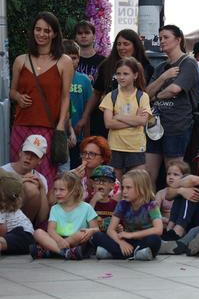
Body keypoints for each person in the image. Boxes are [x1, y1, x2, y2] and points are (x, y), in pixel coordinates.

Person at [10, 11, 73, 187]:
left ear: (54, 34)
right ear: (32, 31)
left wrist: (61, 125)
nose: (42, 34)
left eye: (47, 30)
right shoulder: (20, 60)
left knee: (45, 178)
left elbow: (65, 96)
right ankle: (16, 213)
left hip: (48, 128)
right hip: (21, 126)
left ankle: (44, 214)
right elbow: (12, 91)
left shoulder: (64, 61)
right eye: (38, 29)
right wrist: (18, 97)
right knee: (18, 177)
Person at [145, 25, 199, 184]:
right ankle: (151, 208)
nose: (161, 41)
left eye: (166, 37)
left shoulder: (188, 63)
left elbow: (174, 90)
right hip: (154, 126)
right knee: (148, 174)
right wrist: (163, 78)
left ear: (178, 39)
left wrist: (155, 96)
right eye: (160, 38)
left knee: (173, 173)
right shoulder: (162, 67)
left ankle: (174, 208)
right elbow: (146, 93)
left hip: (177, 125)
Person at [80, 29, 154, 138]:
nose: (121, 47)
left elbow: (146, 93)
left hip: (133, 123)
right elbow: (96, 93)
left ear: (135, 46)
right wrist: (85, 117)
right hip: (106, 120)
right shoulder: (107, 65)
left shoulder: (146, 67)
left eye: (126, 44)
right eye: (118, 44)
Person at [92, 169, 163, 260]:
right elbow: (110, 230)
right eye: (123, 187)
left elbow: (158, 229)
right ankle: (137, 254)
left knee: (155, 239)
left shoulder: (151, 205)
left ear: (141, 188)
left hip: (143, 240)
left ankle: (114, 253)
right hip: (127, 241)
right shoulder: (122, 204)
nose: (124, 191)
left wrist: (131, 235)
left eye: (128, 188)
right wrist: (121, 243)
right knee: (97, 235)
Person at [100, 57, 151, 181]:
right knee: (115, 187)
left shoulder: (142, 96)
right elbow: (108, 123)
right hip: (115, 146)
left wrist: (119, 117)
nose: (121, 77)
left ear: (135, 75)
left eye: (125, 74)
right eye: (118, 74)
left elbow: (143, 121)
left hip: (135, 147)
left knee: (137, 185)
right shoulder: (111, 96)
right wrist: (134, 121)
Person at [31, 172, 99, 260]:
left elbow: (96, 229)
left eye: (62, 190)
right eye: (55, 189)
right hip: (57, 238)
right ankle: (65, 253)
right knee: (38, 233)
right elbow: (51, 230)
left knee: (80, 234)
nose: (57, 193)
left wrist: (90, 230)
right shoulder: (55, 208)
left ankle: (49, 250)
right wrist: (60, 240)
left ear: (75, 191)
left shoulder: (87, 207)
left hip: (76, 241)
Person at [2, 135, 50, 225]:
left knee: (32, 188)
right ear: (20, 152)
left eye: (34, 155)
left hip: (25, 224)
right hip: (3, 221)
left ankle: (24, 230)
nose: (29, 157)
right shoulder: (4, 171)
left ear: (41, 160)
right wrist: (17, 183)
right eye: (27, 152)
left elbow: (42, 218)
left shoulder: (41, 179)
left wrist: (42, 189)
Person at [63, 40, 93, 169]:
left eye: (74, 58)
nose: (71, 61)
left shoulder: (84, 80)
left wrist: (87, 140)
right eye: (67, 57)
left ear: (79, 59)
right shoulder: (55, 79)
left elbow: (88, 109)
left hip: (79, 135)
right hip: (59, 136)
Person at [73, 136, 120, 201]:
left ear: (103, 158)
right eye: (84, 153)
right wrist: (74, 180)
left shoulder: (112, 181)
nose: (86, 157)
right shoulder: (75, 176)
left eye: (92, 154)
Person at [0, 170, 35, 255]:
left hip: (22, 235)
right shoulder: (7, 205)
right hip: (24, 236)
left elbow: (2, 229)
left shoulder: (2, 209)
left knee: (3, 240)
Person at [155, 160, 190, 229]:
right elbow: (154, 212)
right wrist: (165, 220)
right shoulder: (161, 193)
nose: (171, 177)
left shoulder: (186, 192)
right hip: (163, 225)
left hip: (180, 226)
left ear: (185, 177)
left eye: (175, 174)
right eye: (168, 174)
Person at [86, 165, 118, 233]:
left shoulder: (116, 205)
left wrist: (119, 228)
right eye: (97, 180)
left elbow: (119, 226)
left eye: (104, 180)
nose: (100, 183)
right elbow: (83, 222)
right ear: (93, 184)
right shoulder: (86, 202)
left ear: (112, 186)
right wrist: (93, 201)